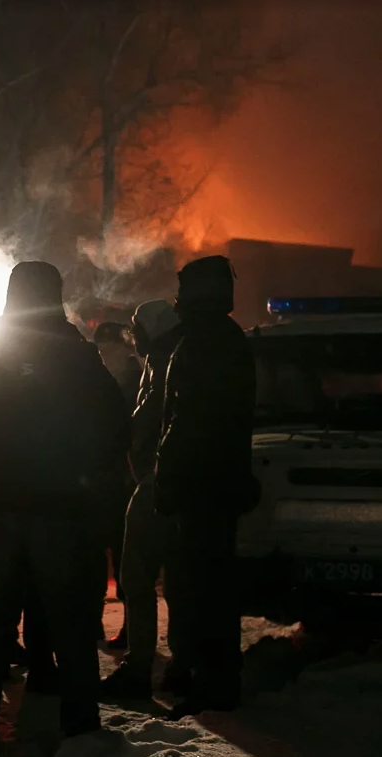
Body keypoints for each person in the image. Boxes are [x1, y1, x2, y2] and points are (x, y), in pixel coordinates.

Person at [0, 261, 130, 753]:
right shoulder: (77, 355)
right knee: (71, 622)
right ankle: (80, 721)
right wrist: (86, 478)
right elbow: (116, 425)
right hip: (62, 511)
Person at [155, 256, 258, 719]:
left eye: (183, 287)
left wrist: (168, 475)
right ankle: (211, 677)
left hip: (204, 483)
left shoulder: (207, 342)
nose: (177, 296)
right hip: (213, 480)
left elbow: (189, 420)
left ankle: (214, 684)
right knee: (207, 586)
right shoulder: (219, 338)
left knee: (206, 588)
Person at [100, 299, 189, 700]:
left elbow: (150, 423)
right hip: (163, 482)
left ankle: (141, 668)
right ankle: (180, 664)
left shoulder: (170, 364)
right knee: (174, 580)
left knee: (138, 578)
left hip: (159, 483)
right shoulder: (165, 361)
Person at [91, 322, 142, 649]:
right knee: (94, 556)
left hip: (128, 482)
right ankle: (92, 621)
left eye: (109, 347)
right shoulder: (99, 380)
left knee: (128, 562)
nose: (105, 354)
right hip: (101, 481)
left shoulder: (139, 381)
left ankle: (132, 629)